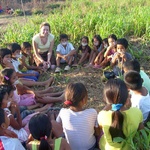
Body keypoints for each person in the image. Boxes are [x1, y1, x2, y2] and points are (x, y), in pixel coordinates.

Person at [97, 79, 144, 150]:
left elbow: (99, 130)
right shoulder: (137, 112)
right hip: (129, 148)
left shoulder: (102, 115)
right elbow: (141, 132)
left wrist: (106, 107)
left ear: (106, 99)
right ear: (127, 97)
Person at [56, 82, 98, 150]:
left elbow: (58, 124)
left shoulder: (63, 112)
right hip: (91, 147)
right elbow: (97, 132)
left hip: (70, 148)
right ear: (84, 99)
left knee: (53, 122)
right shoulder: (92, 112)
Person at [0, 68, 65, 105]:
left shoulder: (13, 83)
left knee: (37, 94)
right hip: (19, 103)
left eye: (16, 76)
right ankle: (59, 99)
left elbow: (24, 88)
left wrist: (34, 92)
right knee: (37, 98)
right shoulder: (6, 90)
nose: (17, 78)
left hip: (20, 98)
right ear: (7, 80)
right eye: (14, 78)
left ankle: (59, 93)